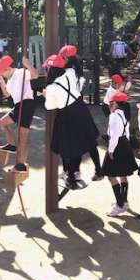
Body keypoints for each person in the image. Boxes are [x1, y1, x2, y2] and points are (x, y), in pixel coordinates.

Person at [44, 54, 99, 189]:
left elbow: (50, 106)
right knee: (84, 142)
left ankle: (71, 179)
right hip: (81, 109)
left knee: (67, 147)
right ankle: (85, 172)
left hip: (67, 115)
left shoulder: (52, 87)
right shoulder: (70, 75)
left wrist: (46, 95)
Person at [59, 44, 103, 182]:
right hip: (81, 108)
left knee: (72, 143)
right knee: (90, 141)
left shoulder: (65, 74)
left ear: (66, 59)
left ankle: (72, 174)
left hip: (69, 109)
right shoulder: (79, 73)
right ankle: (98, 170)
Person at [0, 55, 38, 170]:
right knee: (2, 122)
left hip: (26, 104)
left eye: (2, 73)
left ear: (7, 69)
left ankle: (21, 164)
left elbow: (35, 75)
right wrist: (1, 81)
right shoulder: (10, 80)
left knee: (22, 136)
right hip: (18, 106)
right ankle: (12, 145)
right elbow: (6, 94)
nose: (2, 75)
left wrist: (28, 64)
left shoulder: (20, 73)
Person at [101, 91, 138, 216]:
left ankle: (120, 204)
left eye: (111, 102)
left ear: (116, 103)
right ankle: (124, 202)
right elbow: (125, 132)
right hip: (124, 144)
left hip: (117, 146)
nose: (109, 105)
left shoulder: (114, 116)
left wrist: (111, 150)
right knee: (123, 175)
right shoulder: (123, 114)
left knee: (110, 175)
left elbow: (114, 135)